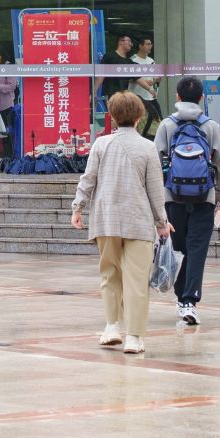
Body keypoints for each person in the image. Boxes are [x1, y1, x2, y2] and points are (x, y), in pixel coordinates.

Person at [70, 91, 170, 355]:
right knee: (137, 280)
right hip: (138, 221)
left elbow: (88, 179)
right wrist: (162, 222)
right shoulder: (147, 148)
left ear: (112, 117)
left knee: (109, 274)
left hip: (106, 220)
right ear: (139, 117)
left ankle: (112, 327)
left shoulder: (101, 145)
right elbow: (155, 190)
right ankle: (134, 338)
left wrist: (78, 207)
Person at [155, 79, 220, 326]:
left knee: (179, 248)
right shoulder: (210, 126)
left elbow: (156, 164)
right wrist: (219, 194)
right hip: (204, 196)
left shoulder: (167, 125)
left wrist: (158, 197)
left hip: (173, 197)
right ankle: (189, 301)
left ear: (177, 97)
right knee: (197, 249)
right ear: (201, 98)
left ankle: (181, 297)